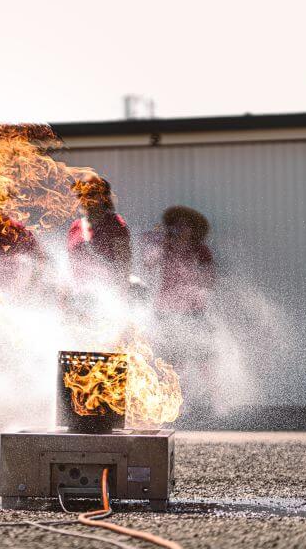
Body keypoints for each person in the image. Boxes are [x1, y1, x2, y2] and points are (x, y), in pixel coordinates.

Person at [144, 206, 216, 418]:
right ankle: (177, 403)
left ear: (193, 229)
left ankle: (215, 401)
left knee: (203, 357)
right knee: (174, 358)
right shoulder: (165, 247)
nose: (181, 228)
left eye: (185, 225)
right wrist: (161, 243)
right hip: (166, 309)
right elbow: (148, 263)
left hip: (193, 310)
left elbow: (210, 280)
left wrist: (192, 283)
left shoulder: (200, 250)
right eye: (177, 225)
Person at [66, 172, 131, 289]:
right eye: (83, 193)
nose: (87, 197)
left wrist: (120, 293)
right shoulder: (75, 227)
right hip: (80, 293)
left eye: (92, 193)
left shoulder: (116, 224)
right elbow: (72, 266)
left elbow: (124, 265)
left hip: (107, 293)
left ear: (103, 197)